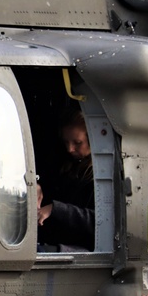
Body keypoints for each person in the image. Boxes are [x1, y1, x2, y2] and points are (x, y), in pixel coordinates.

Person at [38, 108, 95, 252]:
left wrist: (56, 209)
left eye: (77, 142)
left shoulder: (102, 176)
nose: (70, 149)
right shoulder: (63, 165)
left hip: (83, 249)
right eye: (66, 142)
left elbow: (101, 221)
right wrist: (37, 185)